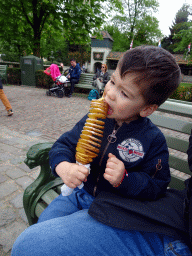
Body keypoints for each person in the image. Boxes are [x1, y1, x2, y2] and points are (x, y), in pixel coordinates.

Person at [12, 45, 191, 256]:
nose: (110, 94)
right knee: (41, 232)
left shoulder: (152, 140)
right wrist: (64, 167)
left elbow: (157, 185)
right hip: (78, 195)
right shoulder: (93, 120)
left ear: (147, 109)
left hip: (114, 209)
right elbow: (63, 145)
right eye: (113, 81)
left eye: (124, 93)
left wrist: (125, 178)